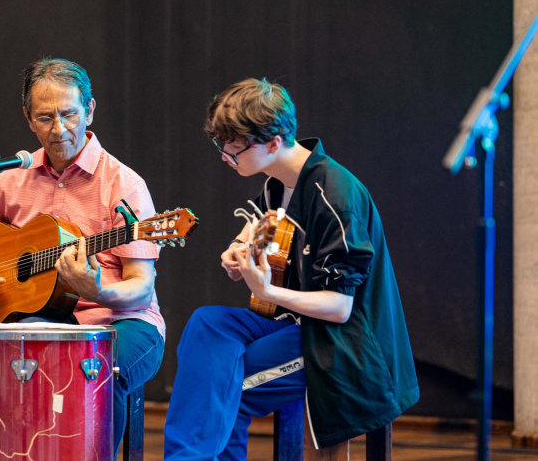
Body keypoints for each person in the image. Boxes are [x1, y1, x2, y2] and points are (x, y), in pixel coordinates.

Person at [163, 78, 418, 459]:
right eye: (223, 146)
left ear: (273, 142)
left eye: (234, 149)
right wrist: (238, 249)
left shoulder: (335, 196)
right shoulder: (277, 182)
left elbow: (340, 307)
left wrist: (268, 291)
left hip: (345, 341)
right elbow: (258, 224)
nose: (225, 156)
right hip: (295, 321)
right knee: (208, 324)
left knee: (223, 385)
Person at [0, 58, 165, 459]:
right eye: (45, 118)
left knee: (95, 373)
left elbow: (141, 291)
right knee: (12, 368)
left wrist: (99, 290)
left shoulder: (123, 183)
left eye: (70, 114)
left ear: (90, 110)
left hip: (123, 322)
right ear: (28, 119)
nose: (59, 130)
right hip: (42, 320)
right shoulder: (9, 180)